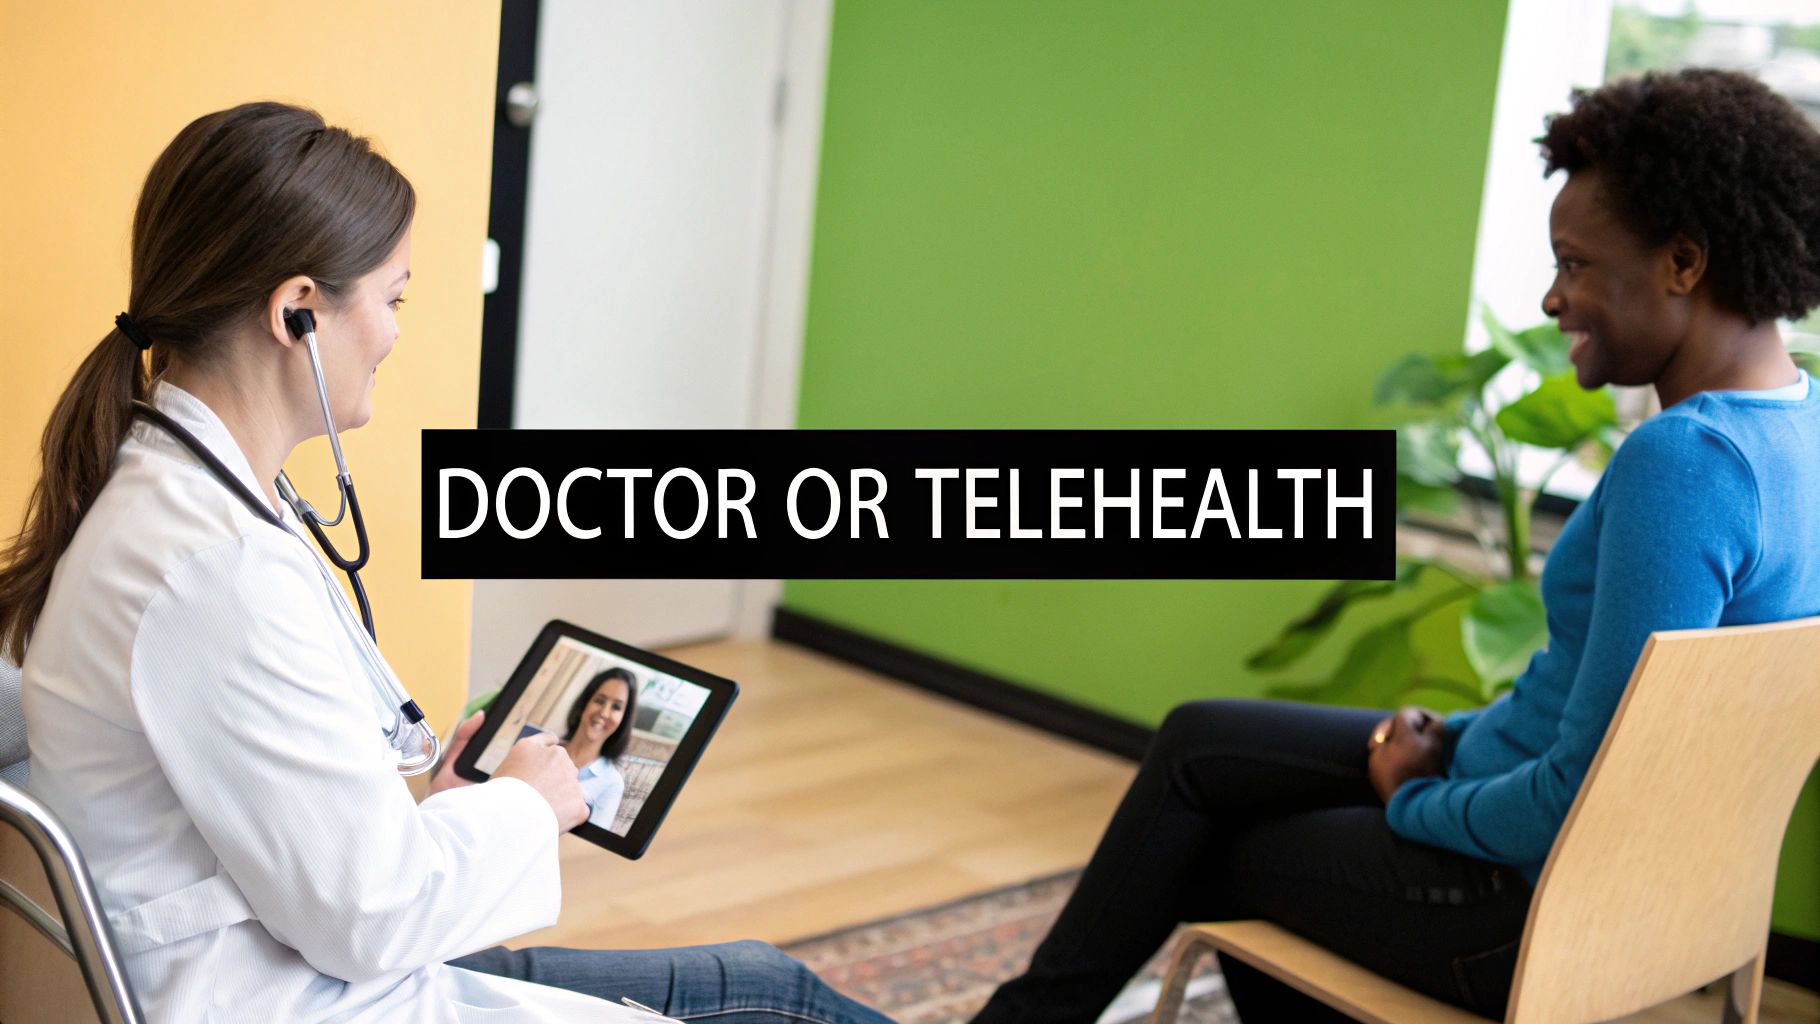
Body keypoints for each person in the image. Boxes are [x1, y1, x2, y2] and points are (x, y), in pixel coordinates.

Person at [0, 101, 893, 1024]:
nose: (394, 334)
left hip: (303, 961)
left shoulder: (178, 503)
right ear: (297, 313)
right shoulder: (211, 571)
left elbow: (279, 830)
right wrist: (525, 805)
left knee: (762, 979)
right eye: (392, 300)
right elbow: (373, 917)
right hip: (314, 995)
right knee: (780, 1002)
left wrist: (443, 804)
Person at [971, 68, 1820, 1023]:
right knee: (1202, 742)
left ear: (1685, 262)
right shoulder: (1801, 429)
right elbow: (1599, 708)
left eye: (1575, 264)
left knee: (1218, 847)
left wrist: (1412, 797)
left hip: (1531, 900)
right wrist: (1452, 744)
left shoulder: (1687, 462)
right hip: (1665, 889)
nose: (1551, 299)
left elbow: (1579, 792)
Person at [564, 668, 637, 830]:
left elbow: (586, 846)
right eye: (599, 700)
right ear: (585, 703)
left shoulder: (611, 784)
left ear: (623, 720)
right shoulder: (544, 748)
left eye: (616, 707)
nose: (604, 713)